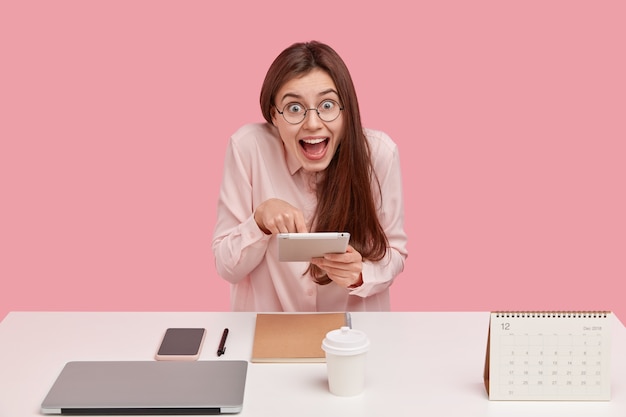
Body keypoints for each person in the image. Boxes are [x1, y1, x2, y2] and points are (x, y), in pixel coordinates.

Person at [212, 41, 407, 312]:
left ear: (345, 110)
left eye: (327, 105)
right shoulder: (247, 148)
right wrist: (259, 222)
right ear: (274, 116)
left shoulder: (380, 154)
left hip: (353, 337)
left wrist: (362, 273)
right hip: (271, 334)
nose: (313, 123)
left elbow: (395, 253)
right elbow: (226, 267)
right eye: (294, 109)